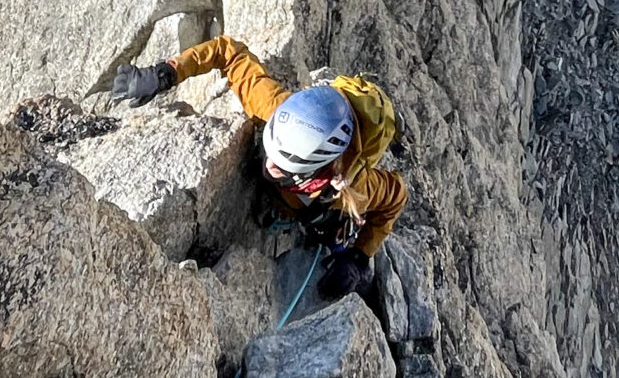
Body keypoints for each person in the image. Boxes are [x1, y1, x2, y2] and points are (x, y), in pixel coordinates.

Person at [111, 34, 405, 298]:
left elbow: (396, 198)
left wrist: (358, 255)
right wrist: (166, 73)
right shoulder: (274, 108)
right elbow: (228, 52)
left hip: (323, 207)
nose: (271, 167)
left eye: (285, 167)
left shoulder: (354, 187)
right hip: (304, 182)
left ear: (318, 172)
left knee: (329, 228)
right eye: (271, 150)